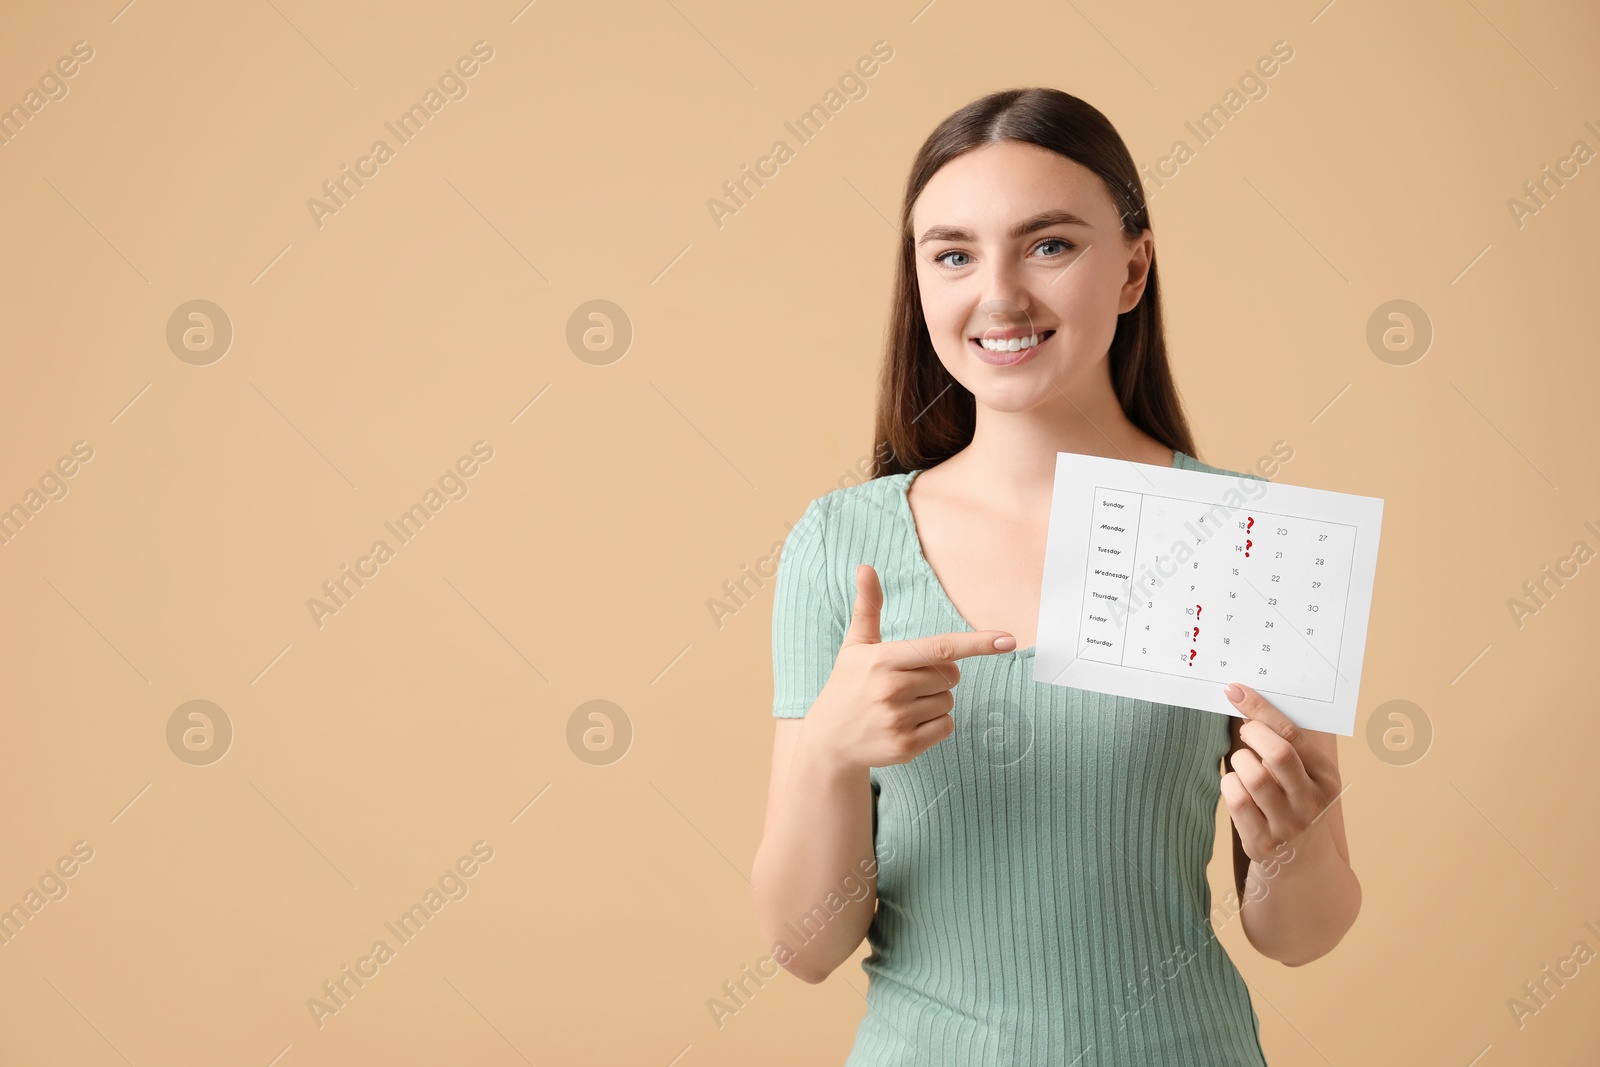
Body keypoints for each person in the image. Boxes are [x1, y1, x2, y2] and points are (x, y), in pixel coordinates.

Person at [750, 87, 1360, 1066]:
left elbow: (1303, 932)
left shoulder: (1244, 536)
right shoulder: (839, 543)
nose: (998, 295)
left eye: (1049, 245)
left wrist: (1297, 835)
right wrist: (828, 751)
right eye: (952, 254)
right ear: (919, 285)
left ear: (1132, 268)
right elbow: (802, 946)